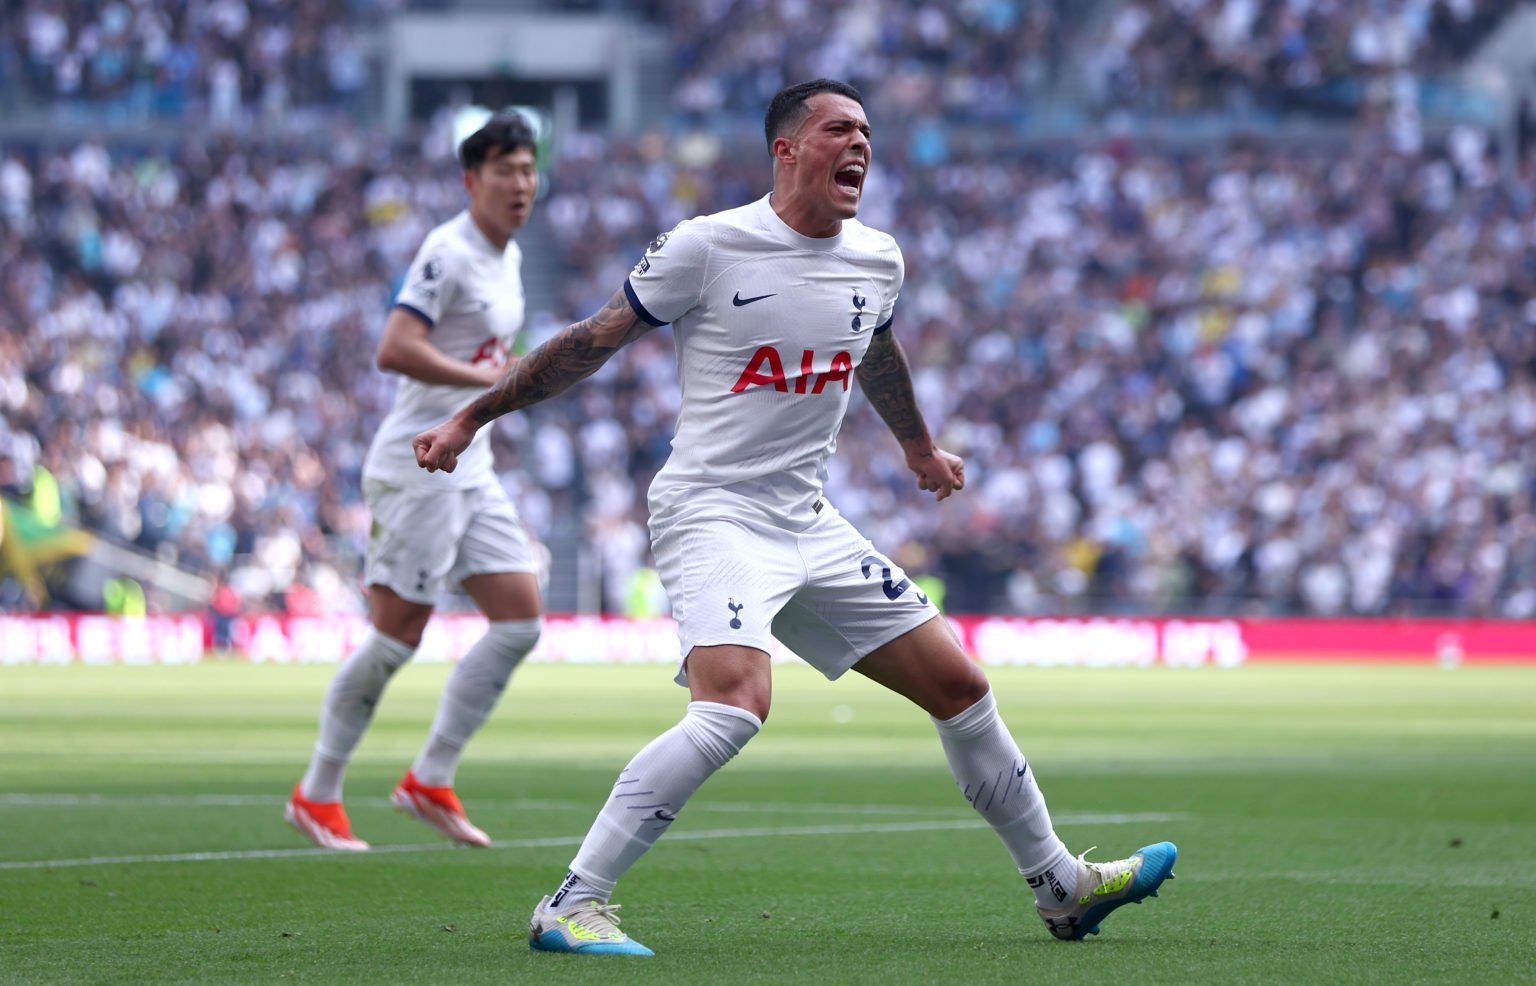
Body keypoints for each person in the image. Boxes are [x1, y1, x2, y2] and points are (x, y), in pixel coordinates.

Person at [414, 80, 1176, 954]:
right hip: (713, 509)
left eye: (867, 132)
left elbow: (875, 346)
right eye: (838, 129)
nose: (860, 145)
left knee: (960, 689)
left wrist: (918, 450)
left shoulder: (878, 257)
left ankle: (1061, 888)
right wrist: (471, 417)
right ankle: (571, 903)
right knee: (737, 704)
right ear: (786, 149)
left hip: (806, 518)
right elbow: (593, 338)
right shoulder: (710, 246)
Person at [284, 115, 546, 852]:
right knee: (397, 636)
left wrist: (490, 390)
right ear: (472, 181)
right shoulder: (448, 250)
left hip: (473, 463)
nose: (520, 184)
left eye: (528, 169)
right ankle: (318, 791)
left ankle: (429, 777)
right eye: (505, 171)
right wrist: (489, 383)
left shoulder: (511, 255)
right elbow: (394, 348)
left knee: (521, 619)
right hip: (420, 460)